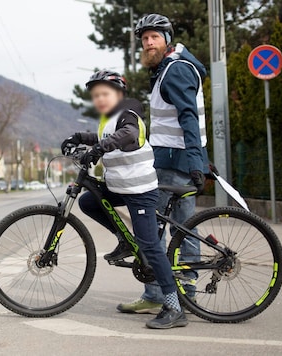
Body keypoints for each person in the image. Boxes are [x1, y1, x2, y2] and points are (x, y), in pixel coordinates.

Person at [61, 70, 188, 329]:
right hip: (121, 188)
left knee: (150, 246)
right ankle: (125, 241)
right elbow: (106, 138)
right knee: (88, 201)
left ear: (119, 94)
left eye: (105, 94)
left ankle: (175, 309)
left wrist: (99, 149)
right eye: (95, 95)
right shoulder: (108, 119)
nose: (99, 99)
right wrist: (80, 138)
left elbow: (128, 134)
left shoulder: (129, 112)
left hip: (140, 191)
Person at [116, 13, 210, 315]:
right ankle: (157, 292)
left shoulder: (175, 71)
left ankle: (185, 294)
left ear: (167, 39)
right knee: (157, 229)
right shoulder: (164, 70)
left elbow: (188, 118)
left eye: (154, 37)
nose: (148, 43)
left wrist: (197, 162)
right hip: (167, 161)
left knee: (177, 230)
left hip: (178, 164)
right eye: (144, 39)